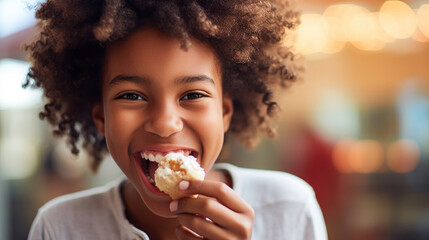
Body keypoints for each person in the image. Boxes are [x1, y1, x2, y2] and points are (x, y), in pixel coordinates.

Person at [25, 0, 327, 239]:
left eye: (192, 95)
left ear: (224, 112)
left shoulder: (289, 208)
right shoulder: (59, 228)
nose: (165, 123)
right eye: (132, 96)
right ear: (101, 117)